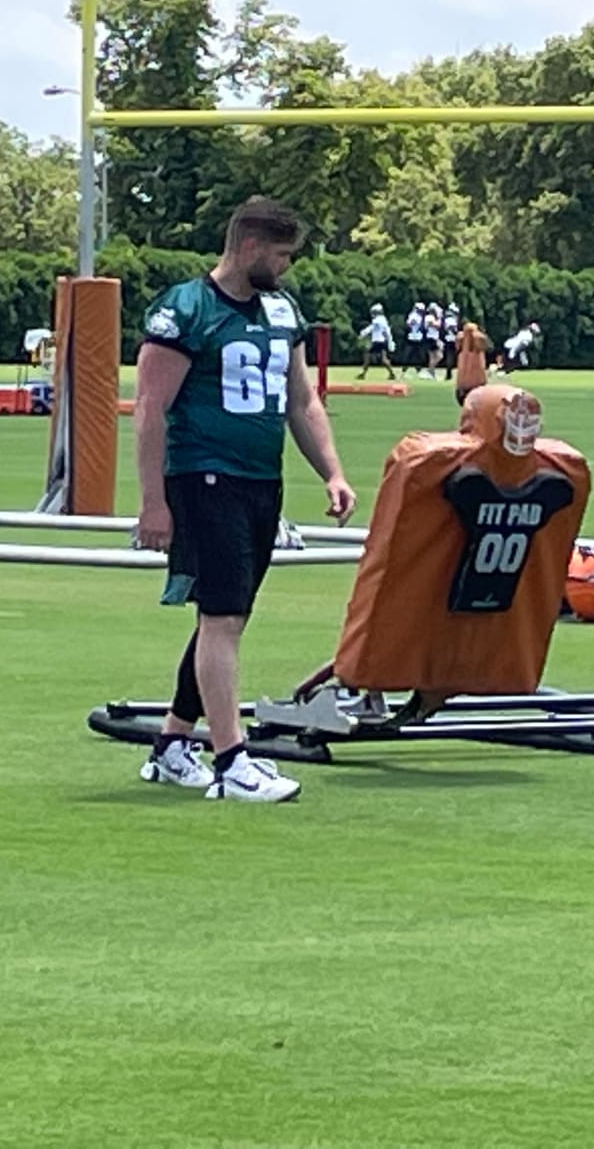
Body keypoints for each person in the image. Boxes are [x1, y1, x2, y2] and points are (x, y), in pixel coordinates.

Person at [134, 196, 357, 803]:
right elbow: (151, 409)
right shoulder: (186, 309)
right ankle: (232, 761)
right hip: (204, 474)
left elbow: (301, 401)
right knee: (223, 617)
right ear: (252, 247)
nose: (287, 268)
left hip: (261, 478)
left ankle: (173, 744)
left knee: (225, 616)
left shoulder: (281, 311)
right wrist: (153, 501)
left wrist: (332, 473)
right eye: (282, 255)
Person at [358, 302, 397, 380]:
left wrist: (363, 333)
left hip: (377, 341)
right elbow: (387, 332)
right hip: (382, 341)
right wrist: (390, 341)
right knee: (384, 359)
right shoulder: (384, 320)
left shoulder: (377, 320)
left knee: (367, 356)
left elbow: (371, 328)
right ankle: (392, 373)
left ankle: (363, 373)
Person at [402, 301, 426, 378]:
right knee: (409, 354)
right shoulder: (413, 315)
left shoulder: (420, 316)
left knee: (418, 355)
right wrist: (412, 324)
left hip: (418, 337)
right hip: (412, 337)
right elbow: (408, 324)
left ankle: (418, 369)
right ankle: (404, 370)